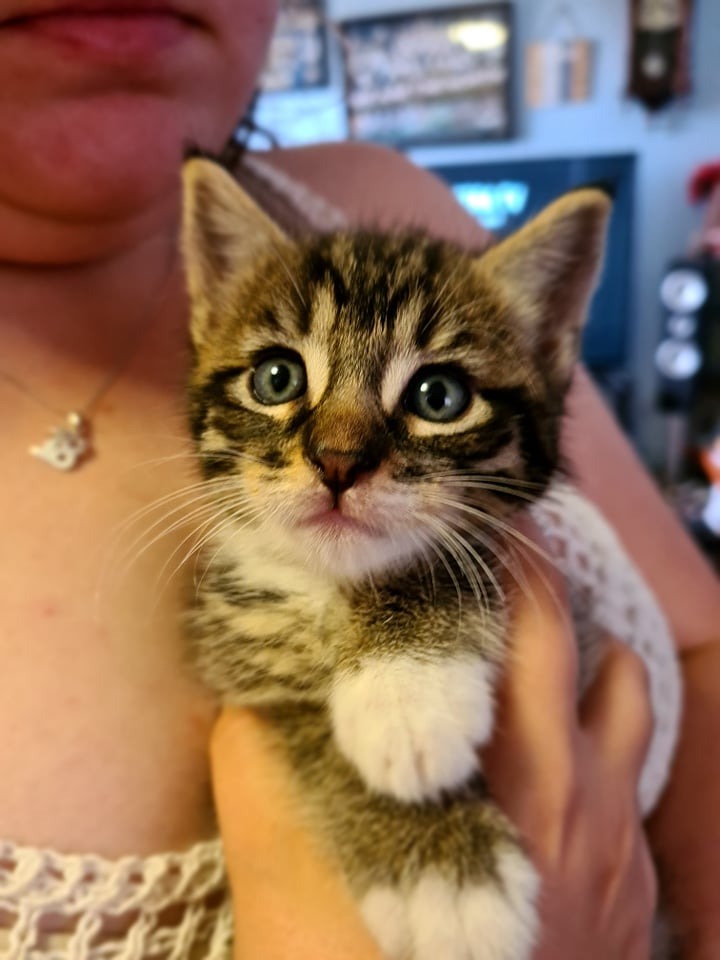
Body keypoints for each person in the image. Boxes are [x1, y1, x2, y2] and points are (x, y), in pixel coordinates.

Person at [0, 2, 718, 958]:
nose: (338, 453)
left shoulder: (383, 195)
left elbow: (702, 643)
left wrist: (425, 607)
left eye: (435, 393)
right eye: (279, 380)